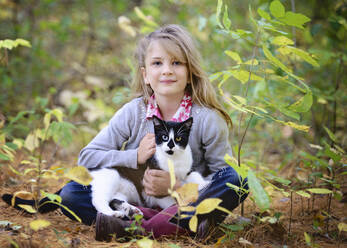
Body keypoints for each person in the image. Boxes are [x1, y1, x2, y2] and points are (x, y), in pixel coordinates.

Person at [3, 24, 248, 241]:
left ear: (190, 71)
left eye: (176, 62)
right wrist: (134, 158)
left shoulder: (207, 119)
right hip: (131, 199)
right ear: (145, 75)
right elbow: (87, 157)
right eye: (157, 63)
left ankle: (139, 227)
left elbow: (221, 176)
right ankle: (167, 225)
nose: (167, 70)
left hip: (184, 201)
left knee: (238, 179)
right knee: (71, 193)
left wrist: (178, 185)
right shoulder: (133, 113)